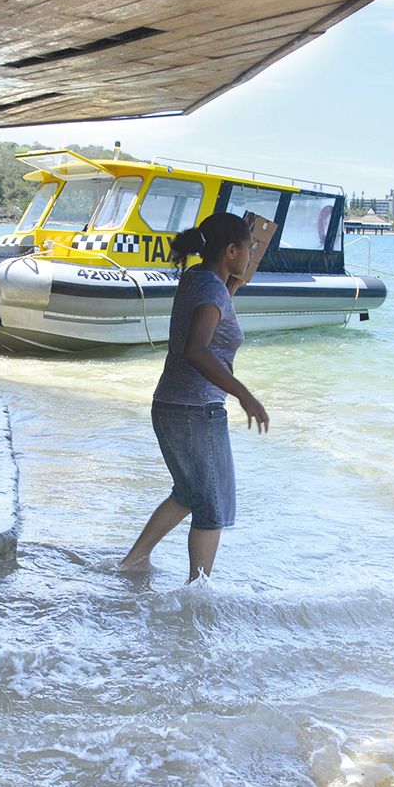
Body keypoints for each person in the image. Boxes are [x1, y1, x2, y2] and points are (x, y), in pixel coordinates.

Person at [119, 211, 269, 580]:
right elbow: (197, 349)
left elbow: (211, 312)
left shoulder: (198, 278)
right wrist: (244, 395)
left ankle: (133, 562)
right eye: (248, 249)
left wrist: (232, 286)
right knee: (212, 507)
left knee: (188, 493)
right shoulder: (211, 289)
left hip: (171, 406)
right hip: (196, 411)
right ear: (231, 250)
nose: (251, 256)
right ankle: (196, 594)